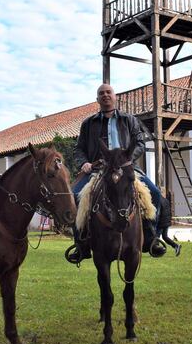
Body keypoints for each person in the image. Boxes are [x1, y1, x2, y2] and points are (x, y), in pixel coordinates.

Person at [66, 84, 166, 264]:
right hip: (98, 171)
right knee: (75, 197)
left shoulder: (129, 120)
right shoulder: (88, 123)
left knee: (155, 194)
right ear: (97, 99)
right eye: (101, 93)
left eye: (108, 92)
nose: (105, 95)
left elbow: (140, 144)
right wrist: (84, 163)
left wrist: (125, 160)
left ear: (115, 96)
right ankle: (80, 245)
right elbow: (78, 149)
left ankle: (152, 238)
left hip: (127, 169)